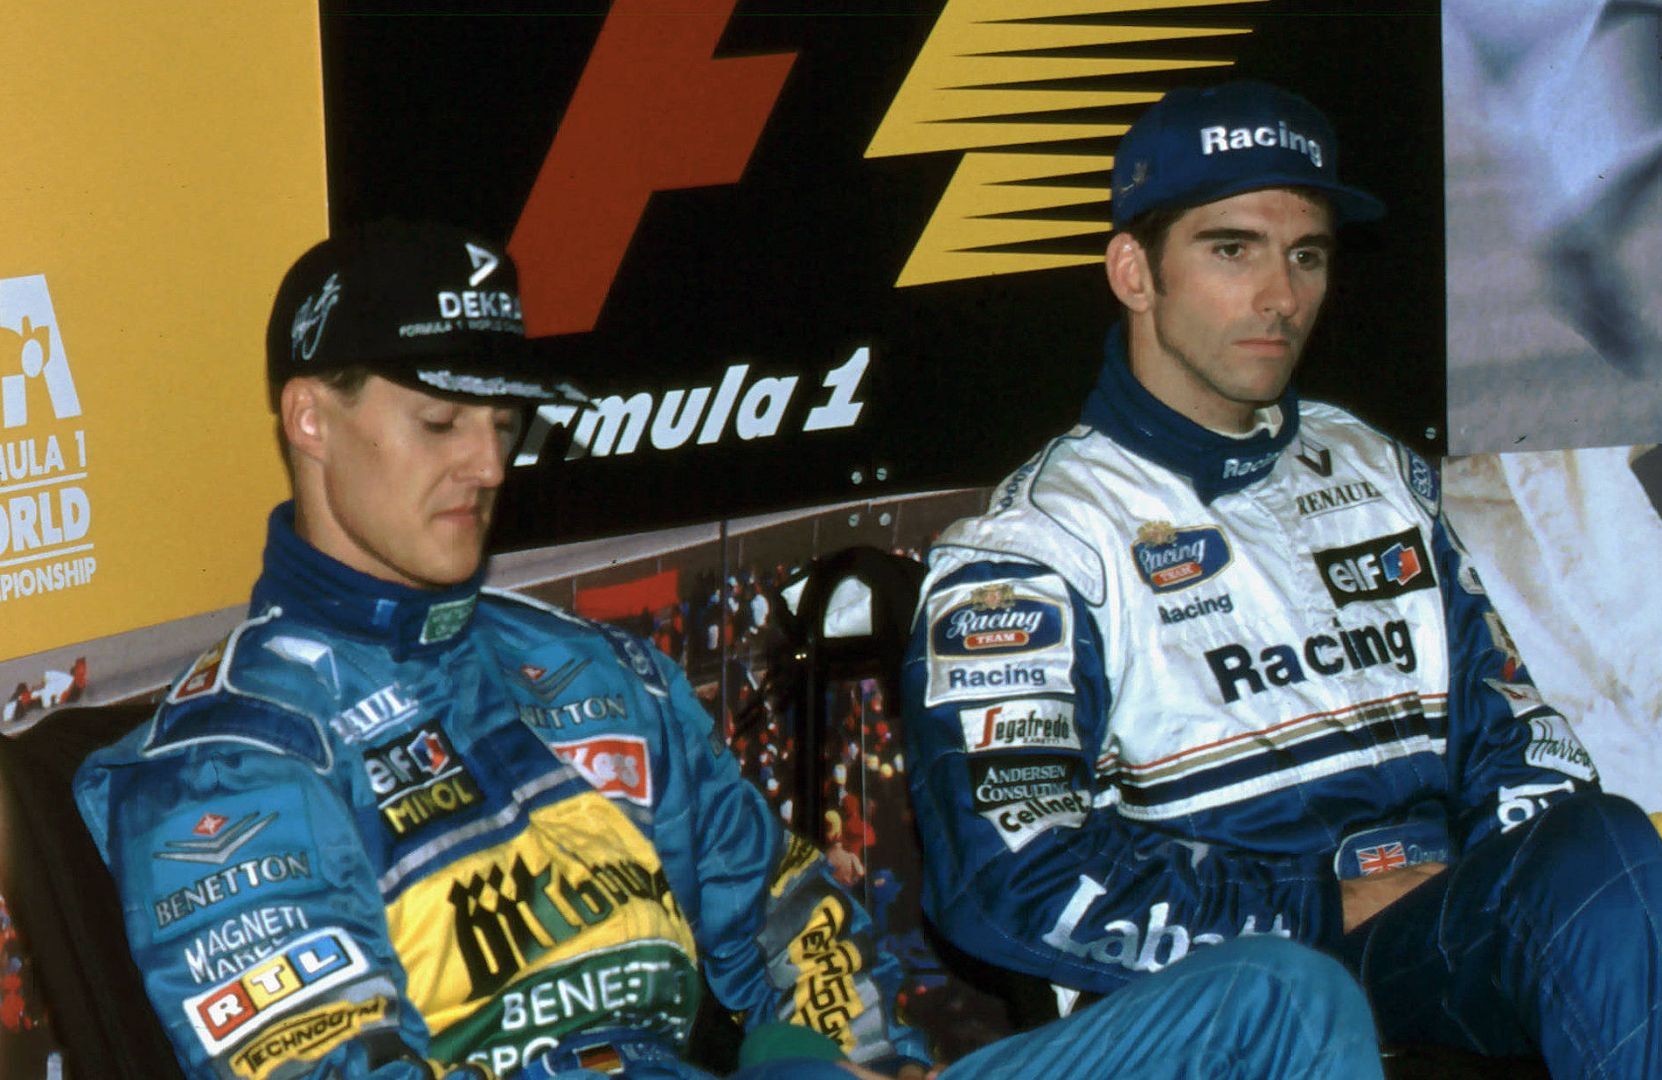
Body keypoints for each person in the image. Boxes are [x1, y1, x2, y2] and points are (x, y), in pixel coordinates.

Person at [75, 221, 1384, 1080]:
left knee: (1284, 999)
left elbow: (786, 912)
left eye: (504, 426)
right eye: (439, 424)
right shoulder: (225, 764)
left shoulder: (593, 674)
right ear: (311, 419)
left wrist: (833, 1057)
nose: (489, 464)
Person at [901, 81, 1662, 1077]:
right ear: (1134, 272)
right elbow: (1008, 881)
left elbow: (1517, 742)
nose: (1280, 295)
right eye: (1231, 250)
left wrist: (1540, 887)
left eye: (1306, 255)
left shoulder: (1375, 471)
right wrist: (1318, 905)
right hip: (1280, 989)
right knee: (1597, 858)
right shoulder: (1032, 552)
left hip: (1471, 941)